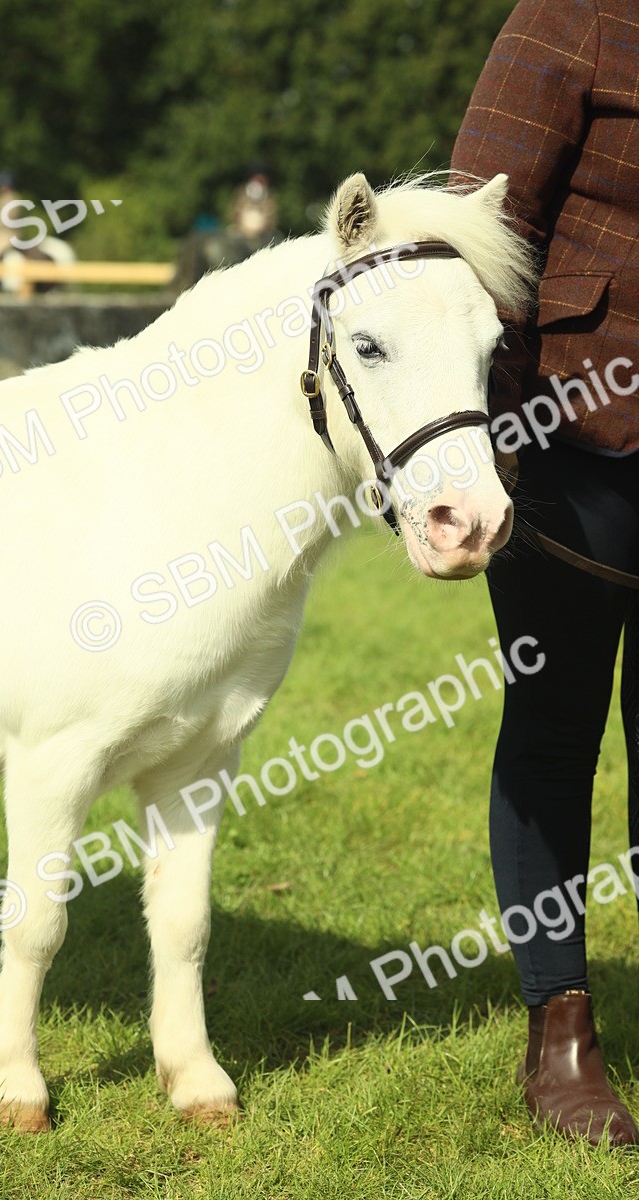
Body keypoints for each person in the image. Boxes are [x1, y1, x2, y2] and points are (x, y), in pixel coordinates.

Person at [451, 0, 639, 1148]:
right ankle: (557, 1032)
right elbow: (479, 230)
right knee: (558, 725)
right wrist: (495, 431)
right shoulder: (572, 15)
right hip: (571, 425)